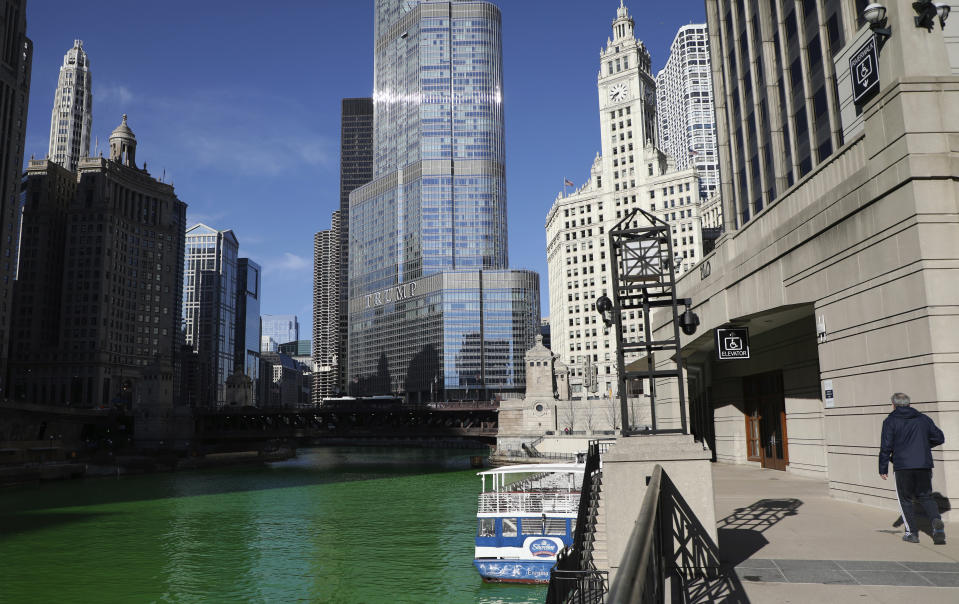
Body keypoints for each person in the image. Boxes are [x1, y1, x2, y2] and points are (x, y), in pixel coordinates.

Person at [879, 392, 946, 544]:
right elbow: (939, 437)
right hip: (923, 464)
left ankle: (912, 533)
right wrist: (922, 447)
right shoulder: (923, 419)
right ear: (909, 404)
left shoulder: (890, 421)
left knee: (906, 499)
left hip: (903, 466)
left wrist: (883, 468)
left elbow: (886, 446)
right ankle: (936, 521)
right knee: (926, 496)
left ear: (893, 405)